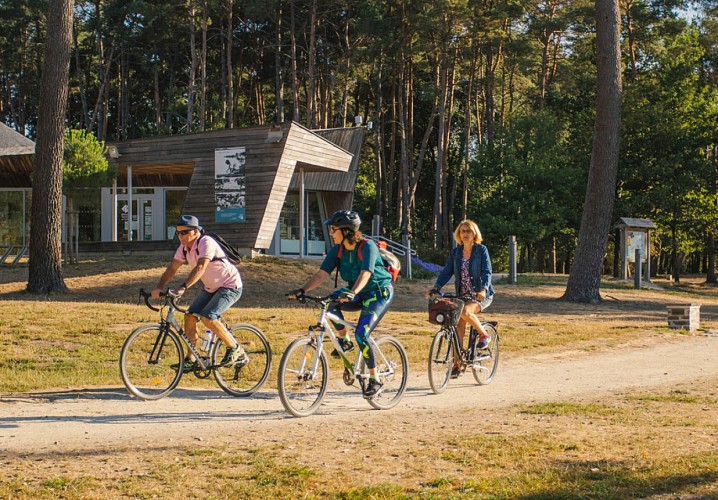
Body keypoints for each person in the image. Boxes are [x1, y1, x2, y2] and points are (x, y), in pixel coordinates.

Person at [287, 210, 394, 398]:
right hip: (355, 291)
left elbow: (366, 273)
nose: (331, 233)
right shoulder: (338, 250)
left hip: (378, 293)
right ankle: (344, 341)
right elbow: (322, 273)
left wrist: (352, 292)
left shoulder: (367, 247)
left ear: (346, 231)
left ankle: (375, 378)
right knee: (328, 303)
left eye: (334, 229)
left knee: (362, 333)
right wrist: (303, 290)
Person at [151, 215, 247, 372]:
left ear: (195, 231)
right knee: (189, 316)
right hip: (211, 288)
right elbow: (172, 269)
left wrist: (183, 287)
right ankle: (192, 359)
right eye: (178, 233)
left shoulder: (205, 242)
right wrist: (159, 287)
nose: (180, 236)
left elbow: (201, 267)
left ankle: (236, 348)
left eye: (184, 232)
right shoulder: (183, 248)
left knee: (208, 317)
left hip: (230, 285)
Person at [426, 219, 494, 379]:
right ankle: (458, 364)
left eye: (468, 231)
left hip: (480, 295)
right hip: (462, 296)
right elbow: (446, 272)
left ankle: (484, 335)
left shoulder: (481, 250)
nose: (465, 234)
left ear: (474, 233)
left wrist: (483, 289)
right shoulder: (456, 253)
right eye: (462, 231)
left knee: (464, 311)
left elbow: (487, 272)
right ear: (459, 234)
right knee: (458, 329)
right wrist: (436, 287)